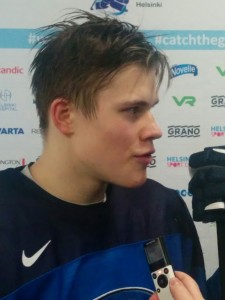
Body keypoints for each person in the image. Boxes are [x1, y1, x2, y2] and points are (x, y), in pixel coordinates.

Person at [0, 10, 208, 300]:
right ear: (65, 116)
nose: (155, 129)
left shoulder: (163, 209)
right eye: (133, 110)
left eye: (150, 109)